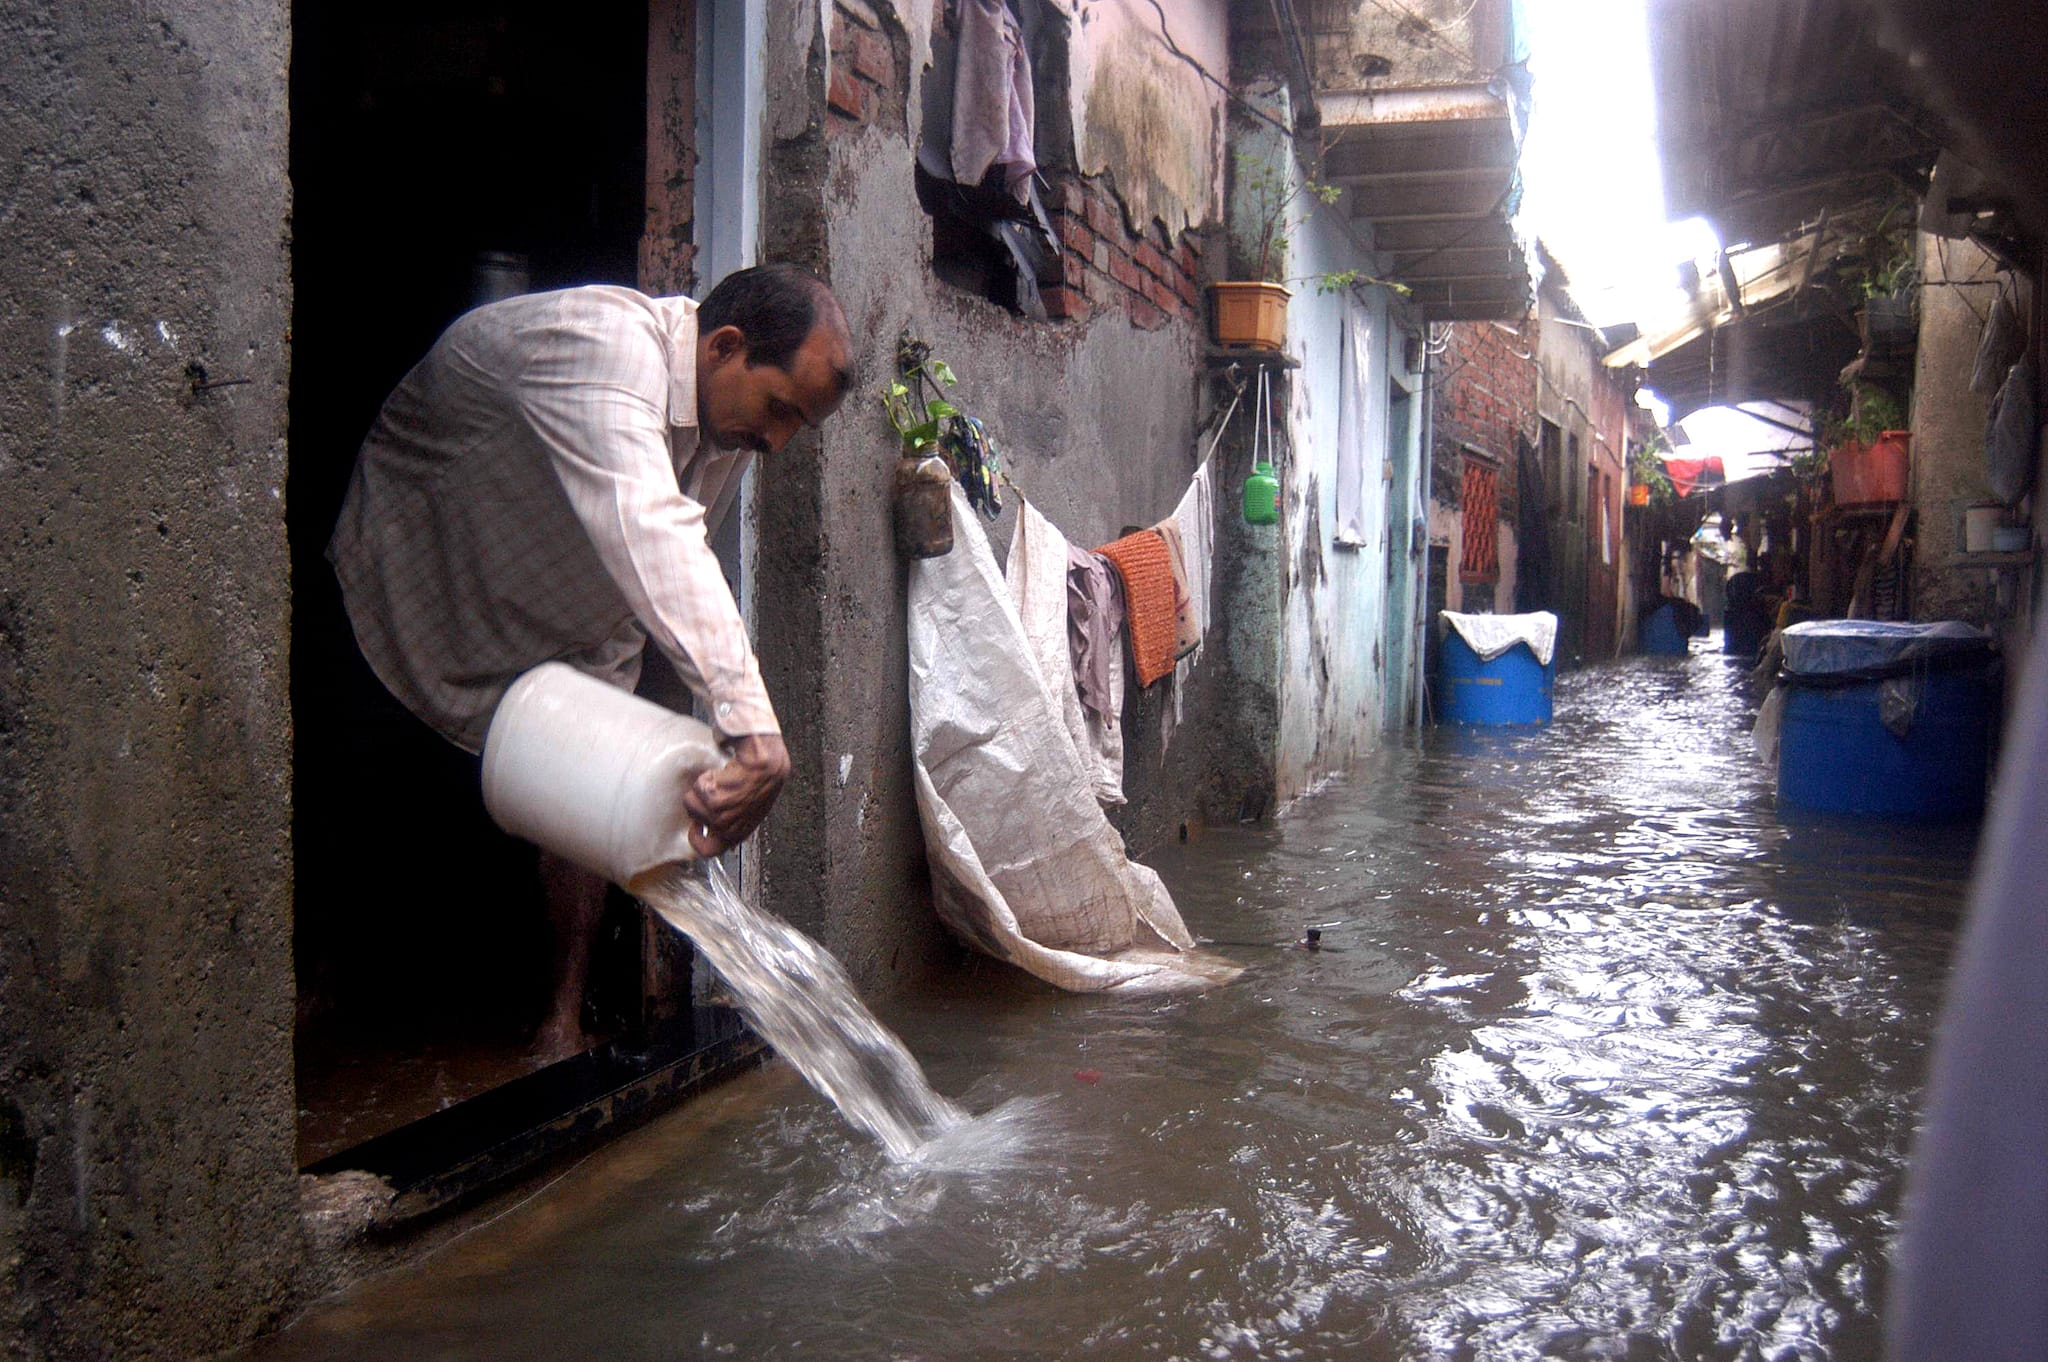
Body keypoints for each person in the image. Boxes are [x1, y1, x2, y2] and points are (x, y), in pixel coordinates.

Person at [328, 264, 854, 1058]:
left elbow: (671, 554)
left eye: (796, 427)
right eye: (779, 409)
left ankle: (560, 1024)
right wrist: (754, 729)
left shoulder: (727, 427)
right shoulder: (608, 349)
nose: (775, 441)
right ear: (725, 345)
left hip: (569, 609)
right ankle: (323, 1002)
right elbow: (651, 528)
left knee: (586, 813)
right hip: (425, 577)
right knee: (359, 804)